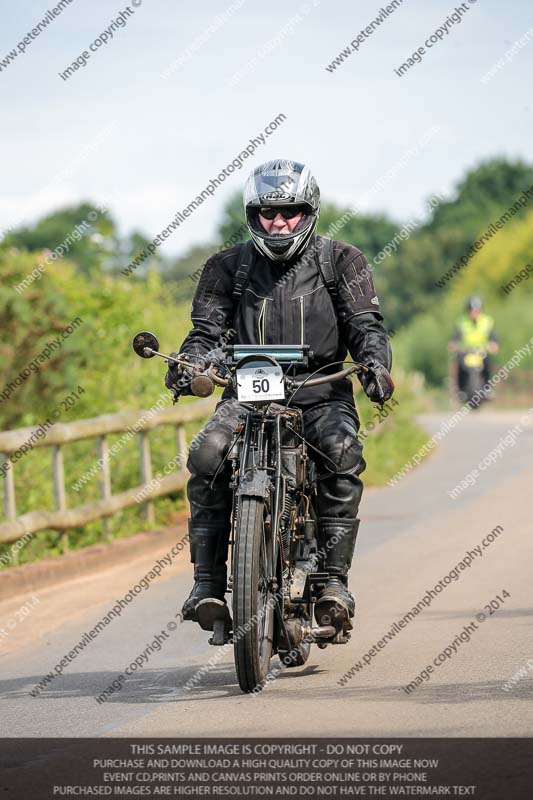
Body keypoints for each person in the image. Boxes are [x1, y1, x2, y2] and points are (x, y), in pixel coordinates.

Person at [165, 159, 394, 633]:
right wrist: (192, 366)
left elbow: (365, 327)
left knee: (341, 452)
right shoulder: (225, 267)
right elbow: (204, 333)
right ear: (252, 214)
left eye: (289, 211)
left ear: (308, 210)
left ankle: (333, 580)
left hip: (320, 390)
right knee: (207, 455)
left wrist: (375, 366)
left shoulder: (342, 261)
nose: (279, 222)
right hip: (245, 393)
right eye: (268, 213)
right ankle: (206, 584)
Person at [448, 296, 499, 398]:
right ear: (468, 310)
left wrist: (494, 344)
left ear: (480, 310)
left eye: (476, 310)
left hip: (482, 351)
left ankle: (488, 389)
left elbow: (493, 336)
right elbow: (456, 337)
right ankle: (461, 390)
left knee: (487, 364)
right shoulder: (462, 321)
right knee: (460, 364)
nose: (474, 312)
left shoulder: (487, 321)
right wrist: (453, 343)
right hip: (466, 351)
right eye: (471, 310)